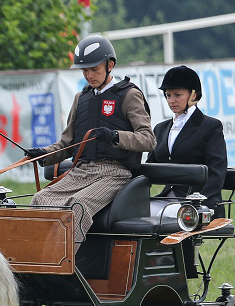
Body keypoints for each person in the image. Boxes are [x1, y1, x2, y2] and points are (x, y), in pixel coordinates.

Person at [25, 35, 155, 246]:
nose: (88, 75)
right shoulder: (81, 98)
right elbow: (67, 143)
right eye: (84, 70)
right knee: (39, 200)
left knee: (78, 205)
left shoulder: (129, 95)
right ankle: (39, 261)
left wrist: (115, 136)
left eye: (94, 69)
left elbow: (148, 139)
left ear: (110, 65)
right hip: (81, 172)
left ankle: (66, 268)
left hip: (115, 174)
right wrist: (44, 154)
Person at [146, 65, 228, 218]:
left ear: (193, 95)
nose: (172, 101)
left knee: (165, 215)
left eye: (177, 95)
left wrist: (199, 202)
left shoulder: (210, 127)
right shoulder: (160, 129)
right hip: (169, 198)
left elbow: (217, 172)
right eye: (168, 95)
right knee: (132, 212)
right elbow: (149, 169)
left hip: (198, 202)